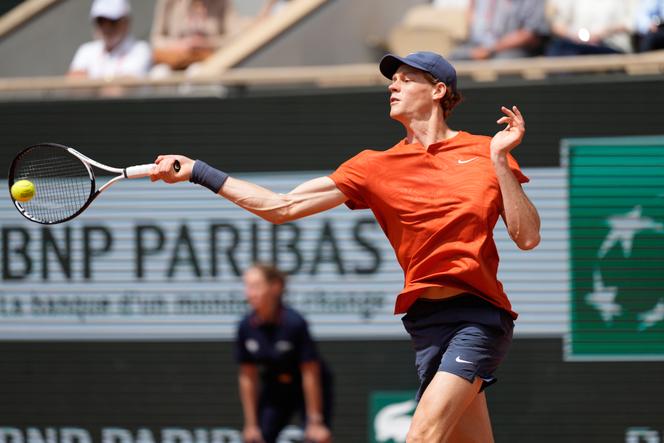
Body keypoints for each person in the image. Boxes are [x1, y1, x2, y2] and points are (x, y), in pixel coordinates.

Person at [150, 50, 541, 442]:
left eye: (406, 79)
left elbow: (527, 237)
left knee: (421, 436)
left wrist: (500, 160)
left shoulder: (486, 151)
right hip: (427, 325)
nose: (393, 86)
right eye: (392, 80)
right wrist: (198, 171)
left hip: (478, 318)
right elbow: (282, 206)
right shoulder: (373, 167)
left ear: (438, 90)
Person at [235, 263, 333, 443]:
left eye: (256, 286)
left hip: (307, 388)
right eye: (247, 287)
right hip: (275, 388)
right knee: (256, 439)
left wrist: (315, 421)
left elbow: (310, 372)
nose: (249, 293)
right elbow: (247, 376)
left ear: (275, 287)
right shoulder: (245, 326)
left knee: (318, 438)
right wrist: (251, 424)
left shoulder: (294, 323)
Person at [68, 0, 151, 80]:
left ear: (126, 22)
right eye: (101, 21)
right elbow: (73, 82)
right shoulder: (86, 50)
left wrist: (90, 82)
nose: (106, 27)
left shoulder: (140, 50)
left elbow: (126, 85)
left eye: (113, 21)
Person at [150, 0, 239, 73]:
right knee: (159, 73)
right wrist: (179, 45)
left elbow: (234, 38)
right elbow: (156, 39)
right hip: (174, 60)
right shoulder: (169, 2)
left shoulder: (222, 2)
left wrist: (206, 43)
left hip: (206, 60)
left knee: (196, 72)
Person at [449, 0, 548, 60]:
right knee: (452, 60)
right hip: (478, 45)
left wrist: (489, 49)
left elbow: (529, 35)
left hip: (511, 50)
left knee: (501, 63)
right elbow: (472, 14)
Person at [545, 0, 633, 55]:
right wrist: (576, 37)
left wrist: (601, 34)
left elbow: (629, 24)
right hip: (575, 46)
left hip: (610, 47)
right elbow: (557, 25)